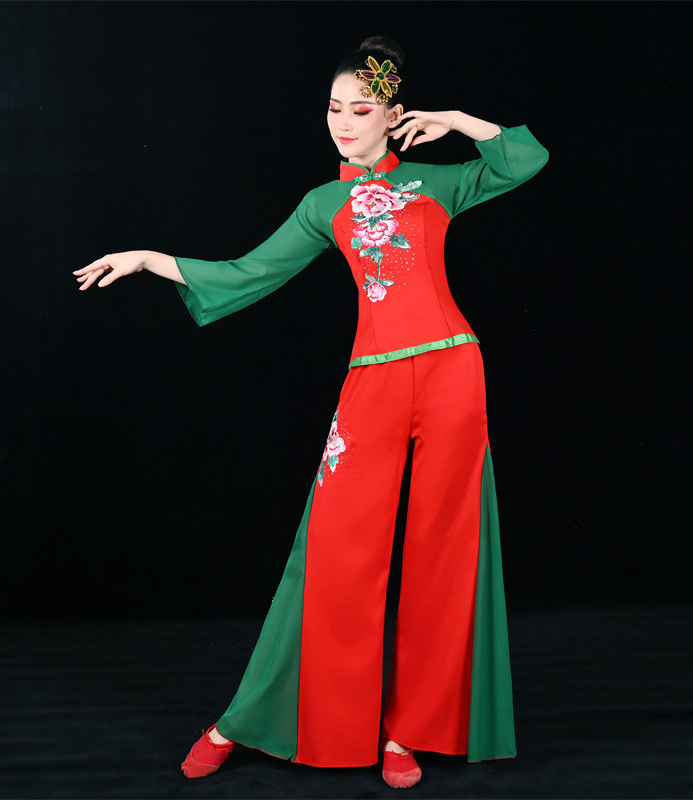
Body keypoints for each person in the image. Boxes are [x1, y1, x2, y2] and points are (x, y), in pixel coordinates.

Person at [73, 35, 548, 790]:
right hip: (373, 382)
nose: (344, 122)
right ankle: (241, 721)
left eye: (361, 109)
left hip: (454, 370)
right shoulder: (322, 204)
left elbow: (525, 160)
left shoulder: (437, 182)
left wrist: (459, 120)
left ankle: (408, 732)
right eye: (334, 108)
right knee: (333, 550)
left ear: (393, 114)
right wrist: (149, 260)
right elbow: (247, 272)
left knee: (446, 552)